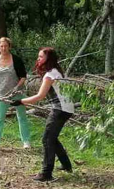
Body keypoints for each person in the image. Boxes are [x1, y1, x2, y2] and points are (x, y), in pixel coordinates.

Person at [11, 47, 74, 182]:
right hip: (66, 109)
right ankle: (66, 165)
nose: (38, 59)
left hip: (60, 109)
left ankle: (46, 173)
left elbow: (40, 96)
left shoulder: (50, 75)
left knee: (47, 139)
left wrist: (21, 101)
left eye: (41, 57)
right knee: (52, 138)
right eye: (38, 56)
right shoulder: (56, 71)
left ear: (48, 59)